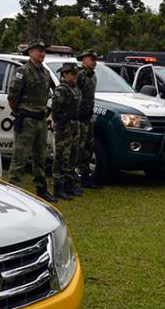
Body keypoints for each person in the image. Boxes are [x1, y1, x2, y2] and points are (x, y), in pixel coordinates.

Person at [8, 40, 54, 201]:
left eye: (43, 51)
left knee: (40, 157)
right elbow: (13, 97)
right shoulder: (23, 71)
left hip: (40, 120)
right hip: (27, 119)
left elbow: (46, 95)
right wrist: (20, 113)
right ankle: (14, 191)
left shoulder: (45, 73)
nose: (42, 53)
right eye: (38, 50)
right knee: (20, 157)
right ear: (30, 52)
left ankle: (41, 189)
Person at [50, 63, 81, 200]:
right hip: (64, 125)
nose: (74, 76)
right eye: (72, 73)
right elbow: (55, 110)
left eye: (75, 73)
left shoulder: (75, 88)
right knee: (62, 155)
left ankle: (69, 184)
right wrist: (59, 123)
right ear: (65, 74)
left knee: (72, 154)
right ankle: (58, 186)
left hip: (74, 124)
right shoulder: (61, 89)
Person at [75, 49, 101, 189]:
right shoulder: (79, 75)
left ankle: (85, 178)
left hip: (88, 117)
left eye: (95, 60)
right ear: (83, 60)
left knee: (88, 148)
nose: (94, 62)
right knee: (77, 147)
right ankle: (73, 177)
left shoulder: (93, 77)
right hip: (79, 117)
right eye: (91, 59)